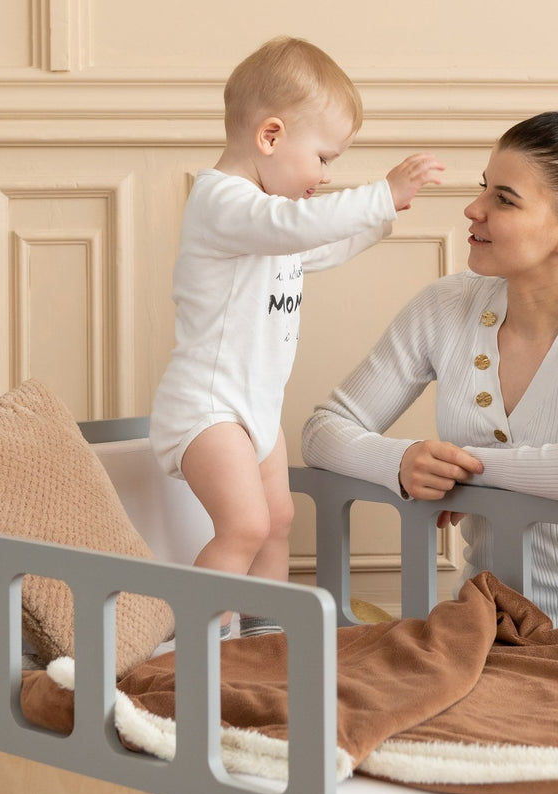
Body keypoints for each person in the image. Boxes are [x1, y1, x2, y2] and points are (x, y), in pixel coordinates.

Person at [301, 110, 558, 637]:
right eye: (483, 188)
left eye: (504, 199)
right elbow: (323, 431)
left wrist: (464, 472)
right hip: (496, 630)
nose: (473, 209)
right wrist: (400, 461)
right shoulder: (445, 307)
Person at [149, 36, 445, 639]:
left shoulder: (267, 223)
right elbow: (297, 225)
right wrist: (377, 194)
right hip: (207, 409)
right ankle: (189, 647)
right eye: (324, 158)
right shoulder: (223, 203)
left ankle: (265, 635)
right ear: (271, 136)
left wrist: (382, 218)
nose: (325, 176)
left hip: (253, 407)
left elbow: (317, 241)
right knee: (244, 528)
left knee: (278, 519)